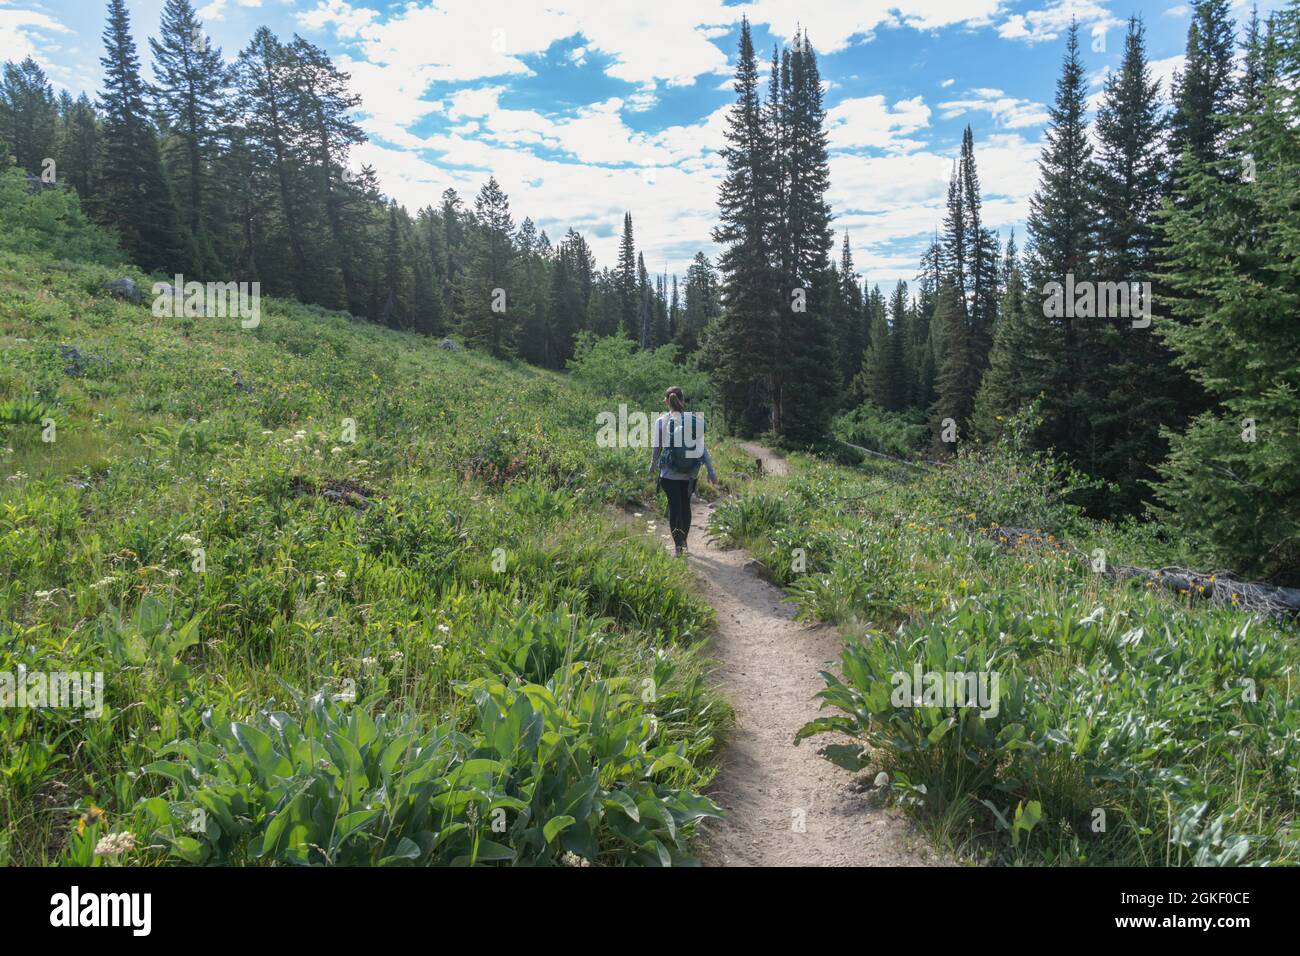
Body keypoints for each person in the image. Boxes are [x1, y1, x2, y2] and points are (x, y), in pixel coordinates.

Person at [649, 386, 716, 557]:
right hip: (690, 474)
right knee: (686, 507)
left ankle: (678, 546)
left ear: (666, 401)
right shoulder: (693, 420)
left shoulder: (661, 421)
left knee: (674, 507)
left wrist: (653, 464)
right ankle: (684, 542)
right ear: (682, 400)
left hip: (669, 474)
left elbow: (657, 447)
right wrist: (710, 470)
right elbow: (702, 448)